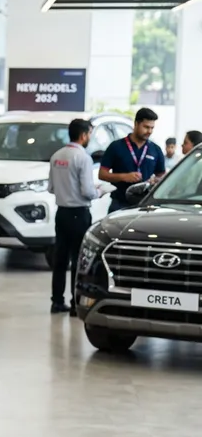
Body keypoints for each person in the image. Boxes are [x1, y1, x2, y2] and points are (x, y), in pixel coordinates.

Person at [48, 119, 98, 316]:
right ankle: (76, 303)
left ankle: (56, 302)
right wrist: (99, 192)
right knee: (78, 260)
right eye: (90, 134)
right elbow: (87, 191)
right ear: (84, 135)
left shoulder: (56, 156)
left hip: (61, 213)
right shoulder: (83, 158)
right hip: (79, 213)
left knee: (60, 259)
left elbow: (51, 188)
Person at [99, 108, 165, 213]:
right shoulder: (116, 146)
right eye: (146, 127)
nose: (149, 131)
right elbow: (102, 174)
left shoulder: (155, 150)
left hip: (145, 204)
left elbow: (161, 176)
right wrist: (124, 177)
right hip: (119, 203)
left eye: (152, 128)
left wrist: (155, 180)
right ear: (136, 124)